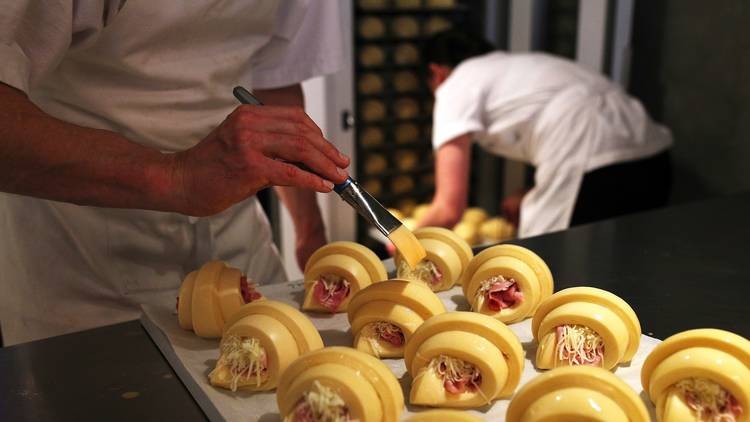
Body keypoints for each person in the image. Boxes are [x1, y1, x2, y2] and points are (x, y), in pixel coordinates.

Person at [0, 1, 349, 345]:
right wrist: (175, 177)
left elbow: (275, 80)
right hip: (82, 265)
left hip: (240, 247)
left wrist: (310, 232)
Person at [415, 30, 673, 238]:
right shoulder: (525, 64)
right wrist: (532, 192)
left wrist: (405, 241)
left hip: (589, 160)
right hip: (652, 159)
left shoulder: (456, 85)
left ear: (437, 73)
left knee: (543, 262)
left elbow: (448, 210)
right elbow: (601, 152)